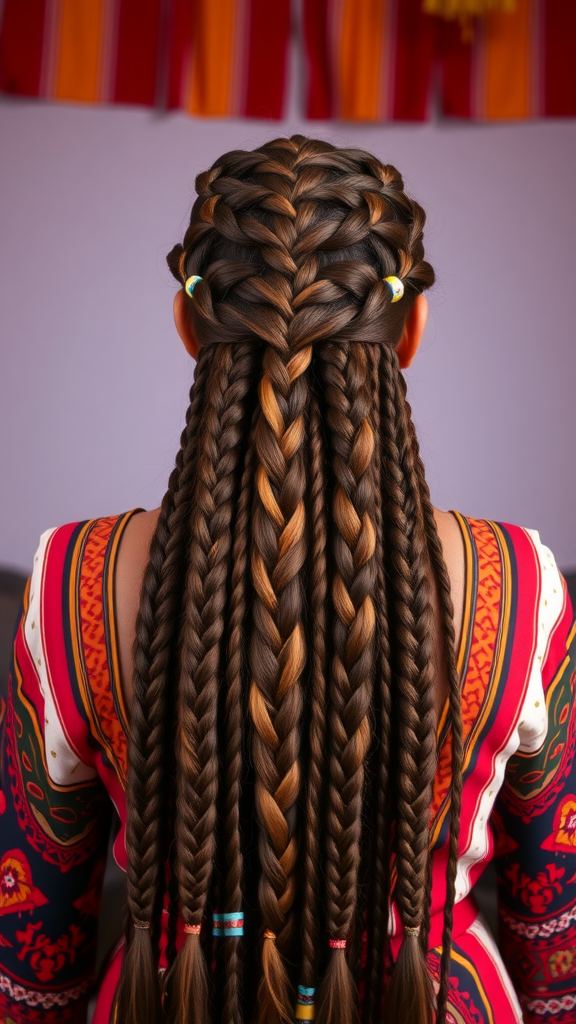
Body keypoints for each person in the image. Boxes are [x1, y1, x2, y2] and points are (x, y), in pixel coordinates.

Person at [0, 135, 575, 1024]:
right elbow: (556, 947)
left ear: (191, 326)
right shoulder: (519, 585)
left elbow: (35, 961)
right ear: (409, 331)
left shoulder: (72, 580)